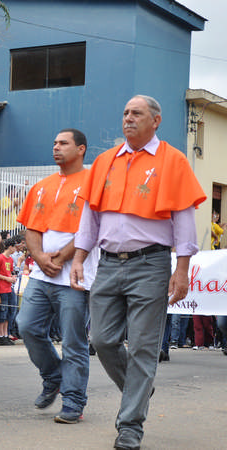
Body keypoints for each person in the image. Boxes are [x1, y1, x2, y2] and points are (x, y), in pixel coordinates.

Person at [70, 95, 206, 450]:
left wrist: (182, 270)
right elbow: (90, 217)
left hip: (151, 264)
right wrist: (79, 257)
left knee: (144, 348)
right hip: (108, 263)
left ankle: (130, 426)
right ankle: (140, 388)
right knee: (102, 340)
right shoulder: (104, 161)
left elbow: (184, 221)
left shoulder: (173, 161)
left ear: (155, 121)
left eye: (137, 113)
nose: (128, 118)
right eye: (125, 113)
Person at [16, 128, 97, 424]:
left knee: (73, 342)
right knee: (26, 326)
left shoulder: (93, 182)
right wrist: (39, 257)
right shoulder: (41, 186)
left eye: (63, 143)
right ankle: (53, 376)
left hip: (75, 276)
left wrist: (62, 258)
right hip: (42, 273)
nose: (56, 147)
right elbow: (31, 227)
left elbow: (91, 229)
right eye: (54, 143)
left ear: (81, 149)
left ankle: (73, 402)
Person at [0, 239, 17, 345]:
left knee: (9, 312)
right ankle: (0, 335)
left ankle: (6, 334)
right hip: (2, 288)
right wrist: (6, 278)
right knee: (2, 312)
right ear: (10, 247)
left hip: (9, 287)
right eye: (14, 247)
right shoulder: (0, 258)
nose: (15, 249)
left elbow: (10, 271)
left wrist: (12, 277)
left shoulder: (10, 259)